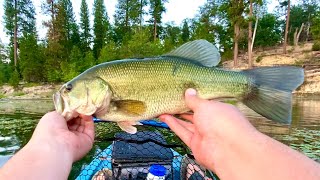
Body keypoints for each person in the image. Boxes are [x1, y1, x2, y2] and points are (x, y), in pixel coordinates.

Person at [0, 88, 319, 179]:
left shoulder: (109, 100)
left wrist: (47, 148)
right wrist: (240, 145)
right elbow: (129, 115)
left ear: (97, 89)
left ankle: (251, 86)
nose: (65, 94)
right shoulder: (107, 106)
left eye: (71, 89)